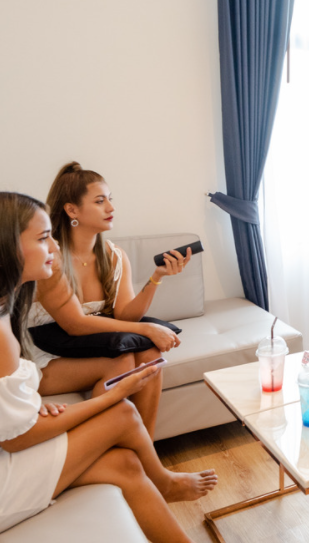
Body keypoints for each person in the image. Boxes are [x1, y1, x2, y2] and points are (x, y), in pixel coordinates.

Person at [0, 191, 253, 543]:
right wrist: (113, 394)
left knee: (121, 463)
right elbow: (16, 438)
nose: (53, 246)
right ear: (0, 250)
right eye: (41, 238)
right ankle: (165, 483)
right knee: (120, 413)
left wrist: (31, 407)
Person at [28, 163, 190, 437]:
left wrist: (157, 277)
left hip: (86, 344)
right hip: (42, 352)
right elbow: (75, 325)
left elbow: (126, 317)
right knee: (122, 361)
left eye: (110, 199)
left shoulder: (114, 255)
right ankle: (103, 446)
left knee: (151, 356)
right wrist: (148, 329)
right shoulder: (50, 258)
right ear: (72, 210)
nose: (111, 208)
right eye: (100, 201)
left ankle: (144, 449)